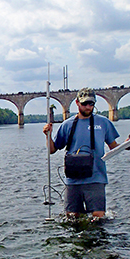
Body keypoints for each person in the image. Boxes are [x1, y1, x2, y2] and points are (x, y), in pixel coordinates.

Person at [43, 87, 120, 219]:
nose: (88, 107)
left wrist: (128, 144)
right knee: (72, 217)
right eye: (84, 103)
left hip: (96, 177)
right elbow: (52, 150)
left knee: (98, 216)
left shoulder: (103, 123)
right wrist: (47, 136)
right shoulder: (67, 125)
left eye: (91, 104)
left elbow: (115, 147)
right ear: (78, 103)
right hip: (73, 179)